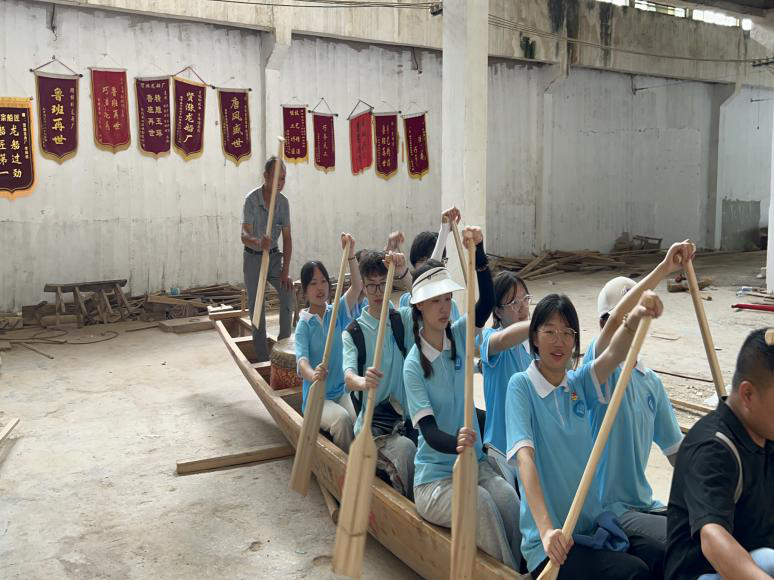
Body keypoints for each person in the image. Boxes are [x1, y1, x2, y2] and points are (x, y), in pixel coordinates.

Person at [506, 292, 666, 579]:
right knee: (633, 573)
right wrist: (546, 532)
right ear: (534, 338)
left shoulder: (578, 385)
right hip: (552, 546)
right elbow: (524, 459)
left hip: (592, 530)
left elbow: (614, 354)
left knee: (661, 554)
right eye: (550, 332)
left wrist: (637, 316)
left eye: (567, 333)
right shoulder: (521, 386)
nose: (559, 342)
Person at [404, 228, 521, 570]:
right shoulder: (413, 365)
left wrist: (479, 251)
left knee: (508, 499)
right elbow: (428, 432)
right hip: (435, 481)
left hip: (474, 464)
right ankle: (508, 574)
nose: (444, 308)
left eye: (446, 299)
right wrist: (456, 440)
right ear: (419, 306)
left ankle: (527, 568)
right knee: (481, 504)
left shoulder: (458, 336)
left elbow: (485, 303)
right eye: (435, 301)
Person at [582, 241, 694, 544]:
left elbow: (677, 453)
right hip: (607, 510)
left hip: (643, 504)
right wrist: (665, 268)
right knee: (684, 542)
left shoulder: (650, 382)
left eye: (640, 316)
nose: (630, 325)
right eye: (626, 319)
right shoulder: (598, 370)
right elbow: (617, 321)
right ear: (603, 324)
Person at [665, 327, 774, 580]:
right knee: (767, 561)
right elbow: (713, 538)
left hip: (756, 560)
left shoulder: (766, 431)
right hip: (704, 574)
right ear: (748, 394)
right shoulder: (712, 448)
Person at [343, 251, 417, 498]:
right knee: (406, 450)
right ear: (363, 289)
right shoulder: (353, 333)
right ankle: (408, 510)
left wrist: (403, 271)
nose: (378, 292)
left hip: (407, 419)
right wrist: (363, 381)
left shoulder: (402, 320)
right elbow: (349, 376)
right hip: (374, 427)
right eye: (371, 286)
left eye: (383, 284)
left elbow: (425, 301)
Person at [294, 233, 363, 452]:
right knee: (342, 420)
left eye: (323, 281)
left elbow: (357, 286)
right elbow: (302, 361)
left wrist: (350, 255)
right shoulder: (304, 325)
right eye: (313, 283)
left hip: (341, 391)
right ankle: (344, 465)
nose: (320, 288)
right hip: (317, 398)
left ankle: (362, 464)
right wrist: (313, 374)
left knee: (359, 420)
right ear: (305, 291)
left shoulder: (337, 312)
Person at [476, 271, 533, 487]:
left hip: (530, 447)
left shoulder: (536, 347)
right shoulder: (490, 339)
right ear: (498, 311)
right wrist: (540, 322)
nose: (523, 308)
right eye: (514, 303)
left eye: (525, 300)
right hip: (501, 449)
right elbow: (503, 340)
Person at [241, 157, 294, 361]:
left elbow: (287, 238)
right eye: (276, 178)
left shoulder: (283, 203)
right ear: (265, 176)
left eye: (283, 179)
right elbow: (244, 235)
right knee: (257, 308)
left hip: (273, 257)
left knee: (287, 292)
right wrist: (257, 241)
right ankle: (263, 357)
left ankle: (283, 349)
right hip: (253, 258)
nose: (280, 183)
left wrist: (285, 270)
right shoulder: (252, 200)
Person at [396, 208, 462, 321]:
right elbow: (424, 292)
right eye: (423, 260)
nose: (430, 265)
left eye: (440, 260)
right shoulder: (405, 301)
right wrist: (444, 231)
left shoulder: (452, 305)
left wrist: (444, 230)